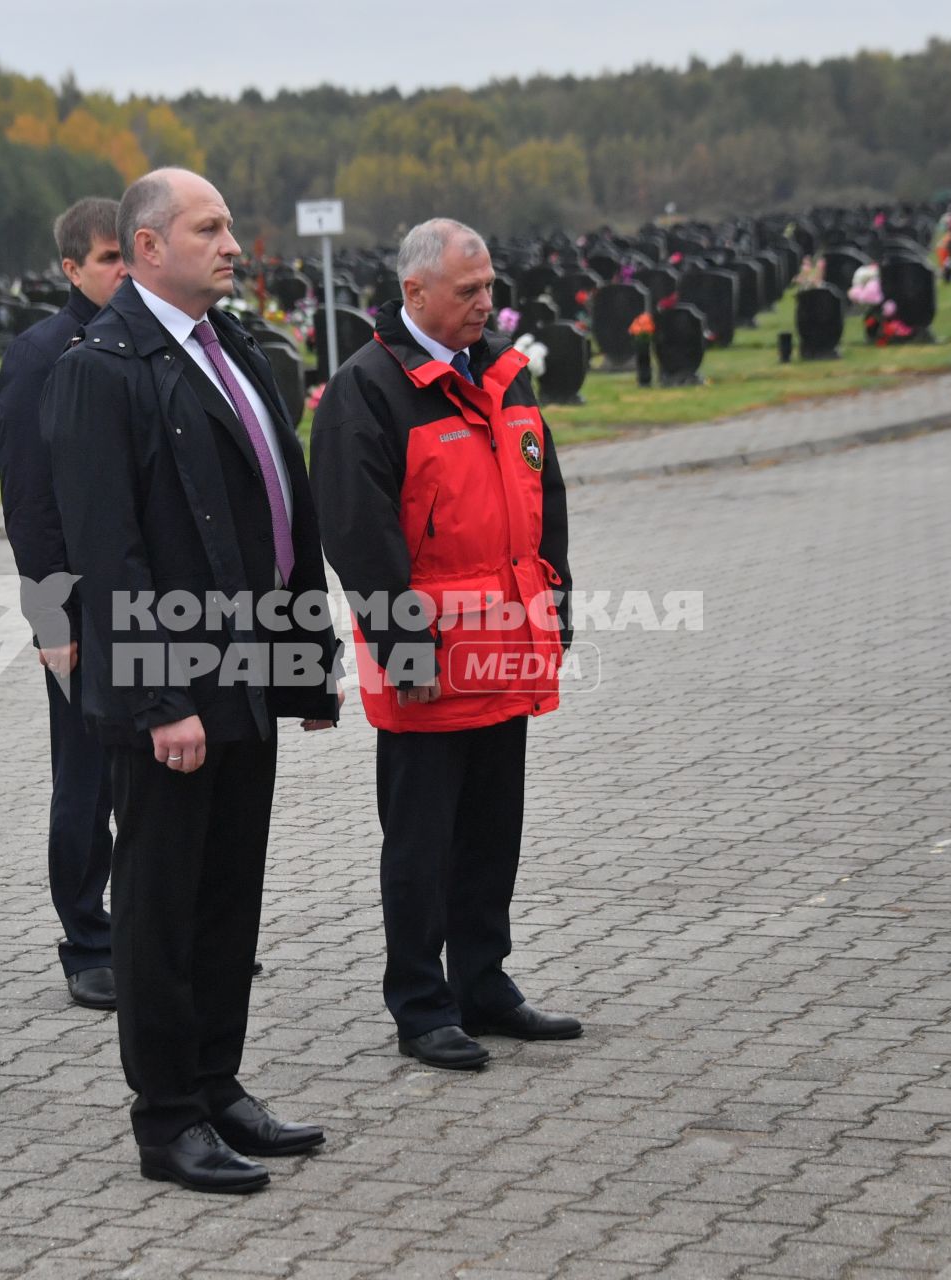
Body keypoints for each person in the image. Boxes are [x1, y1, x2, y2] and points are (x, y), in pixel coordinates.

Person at [42, 168, 341, 1193]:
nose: (231, 243)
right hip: (175, 687)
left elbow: (279, 509)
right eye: (208, 228)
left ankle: (218, 1084)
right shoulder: (102, 369)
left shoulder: (238, 350)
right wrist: (161, 696)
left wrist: (302, 665)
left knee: (227, 901)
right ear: (149, 247)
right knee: (163, 907)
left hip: (248, 670)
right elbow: (107, 550)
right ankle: (167, 1118)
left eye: (228, 226)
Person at [309, 217, 582, 1073]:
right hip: (429, 661)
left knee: (493, 831)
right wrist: (404, 644)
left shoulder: (506, 373)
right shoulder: (370, 389)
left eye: (490, 286)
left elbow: (547, 495)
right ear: (414, 292)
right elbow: (356, 532)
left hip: (507, 645)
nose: (485, 302)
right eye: (468, 291)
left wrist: (558, 601)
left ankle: (485, 983)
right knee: (422, 842)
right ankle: (422, 1003)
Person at [0, 196, 128, 1011]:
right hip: (79, 605)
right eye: (108, 258)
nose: (122, 270)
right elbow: (28, 500)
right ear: (73, 268)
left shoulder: (162, 344)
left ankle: (152, 928)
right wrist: (50, 619)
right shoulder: (44, 354)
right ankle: (86, 940)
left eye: (128, 255)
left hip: (159, 602)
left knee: (160, 775)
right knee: (86, 781)